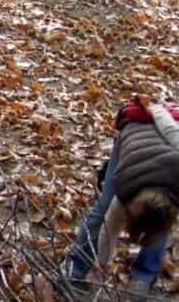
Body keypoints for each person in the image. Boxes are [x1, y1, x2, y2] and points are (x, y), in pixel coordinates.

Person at [64, 97, 179, 298]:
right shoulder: (125, 189)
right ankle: (76, 264)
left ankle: (142, 279)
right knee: (103, 206)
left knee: (158, 223)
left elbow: (171, 130)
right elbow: (110, 227)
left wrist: (157, 111)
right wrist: (103, 264)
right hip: (134, 130)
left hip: (167, 142)